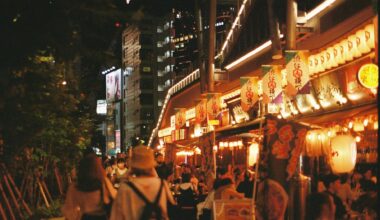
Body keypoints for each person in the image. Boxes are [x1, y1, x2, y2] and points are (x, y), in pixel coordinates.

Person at [110, 146, 175, 220]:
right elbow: (171, 208)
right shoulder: (162, 185)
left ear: (133, 165)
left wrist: (128, 173)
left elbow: (116, 216)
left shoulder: (125, 187)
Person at [62, 154, 117, 220]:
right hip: (101, 217)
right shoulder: (103, 182)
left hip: (86, 217)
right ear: (98, 167)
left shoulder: (75, 187)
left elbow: (69, 211)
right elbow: (115, 196)